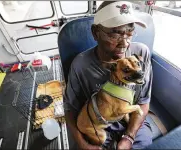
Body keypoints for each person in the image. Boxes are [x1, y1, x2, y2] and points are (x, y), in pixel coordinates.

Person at [64, 1, 153, 149]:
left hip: (131, 119)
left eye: (130, 33)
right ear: (95, 33)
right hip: (98, 125)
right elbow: (70, 109)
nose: (125, 43)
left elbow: (143, 101)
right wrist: (82, 144)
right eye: (114, 34)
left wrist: (129, 137)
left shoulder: (141, 53)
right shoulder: (80, 65)